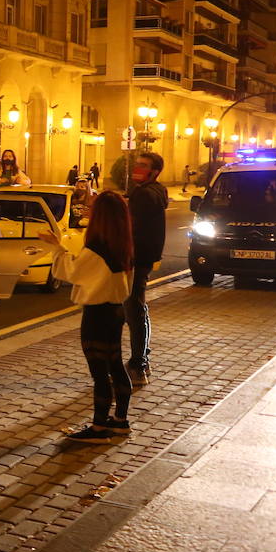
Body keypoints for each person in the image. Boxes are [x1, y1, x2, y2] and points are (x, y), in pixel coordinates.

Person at [38, 191, 134, 442]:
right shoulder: (122, 244)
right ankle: (121, 420)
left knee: (100, 372)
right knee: (115, 365)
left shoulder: (96, 248)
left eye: (92, 207)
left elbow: (72, 272)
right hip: (115, 310)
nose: (87, 210)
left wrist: (56, 247)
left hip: (97, 313)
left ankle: (99, 427)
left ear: (101, 215)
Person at [124, 151, 167, 387]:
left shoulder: (142, 194)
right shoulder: (157, 192)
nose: (138, 168)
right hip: (145, 258)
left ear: (154, 171)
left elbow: (134, 229)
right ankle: (142, 359)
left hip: (135, 259)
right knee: (138, 307)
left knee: (133, 310)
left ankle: (138, 364)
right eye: (137, 164)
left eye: (143, 165)